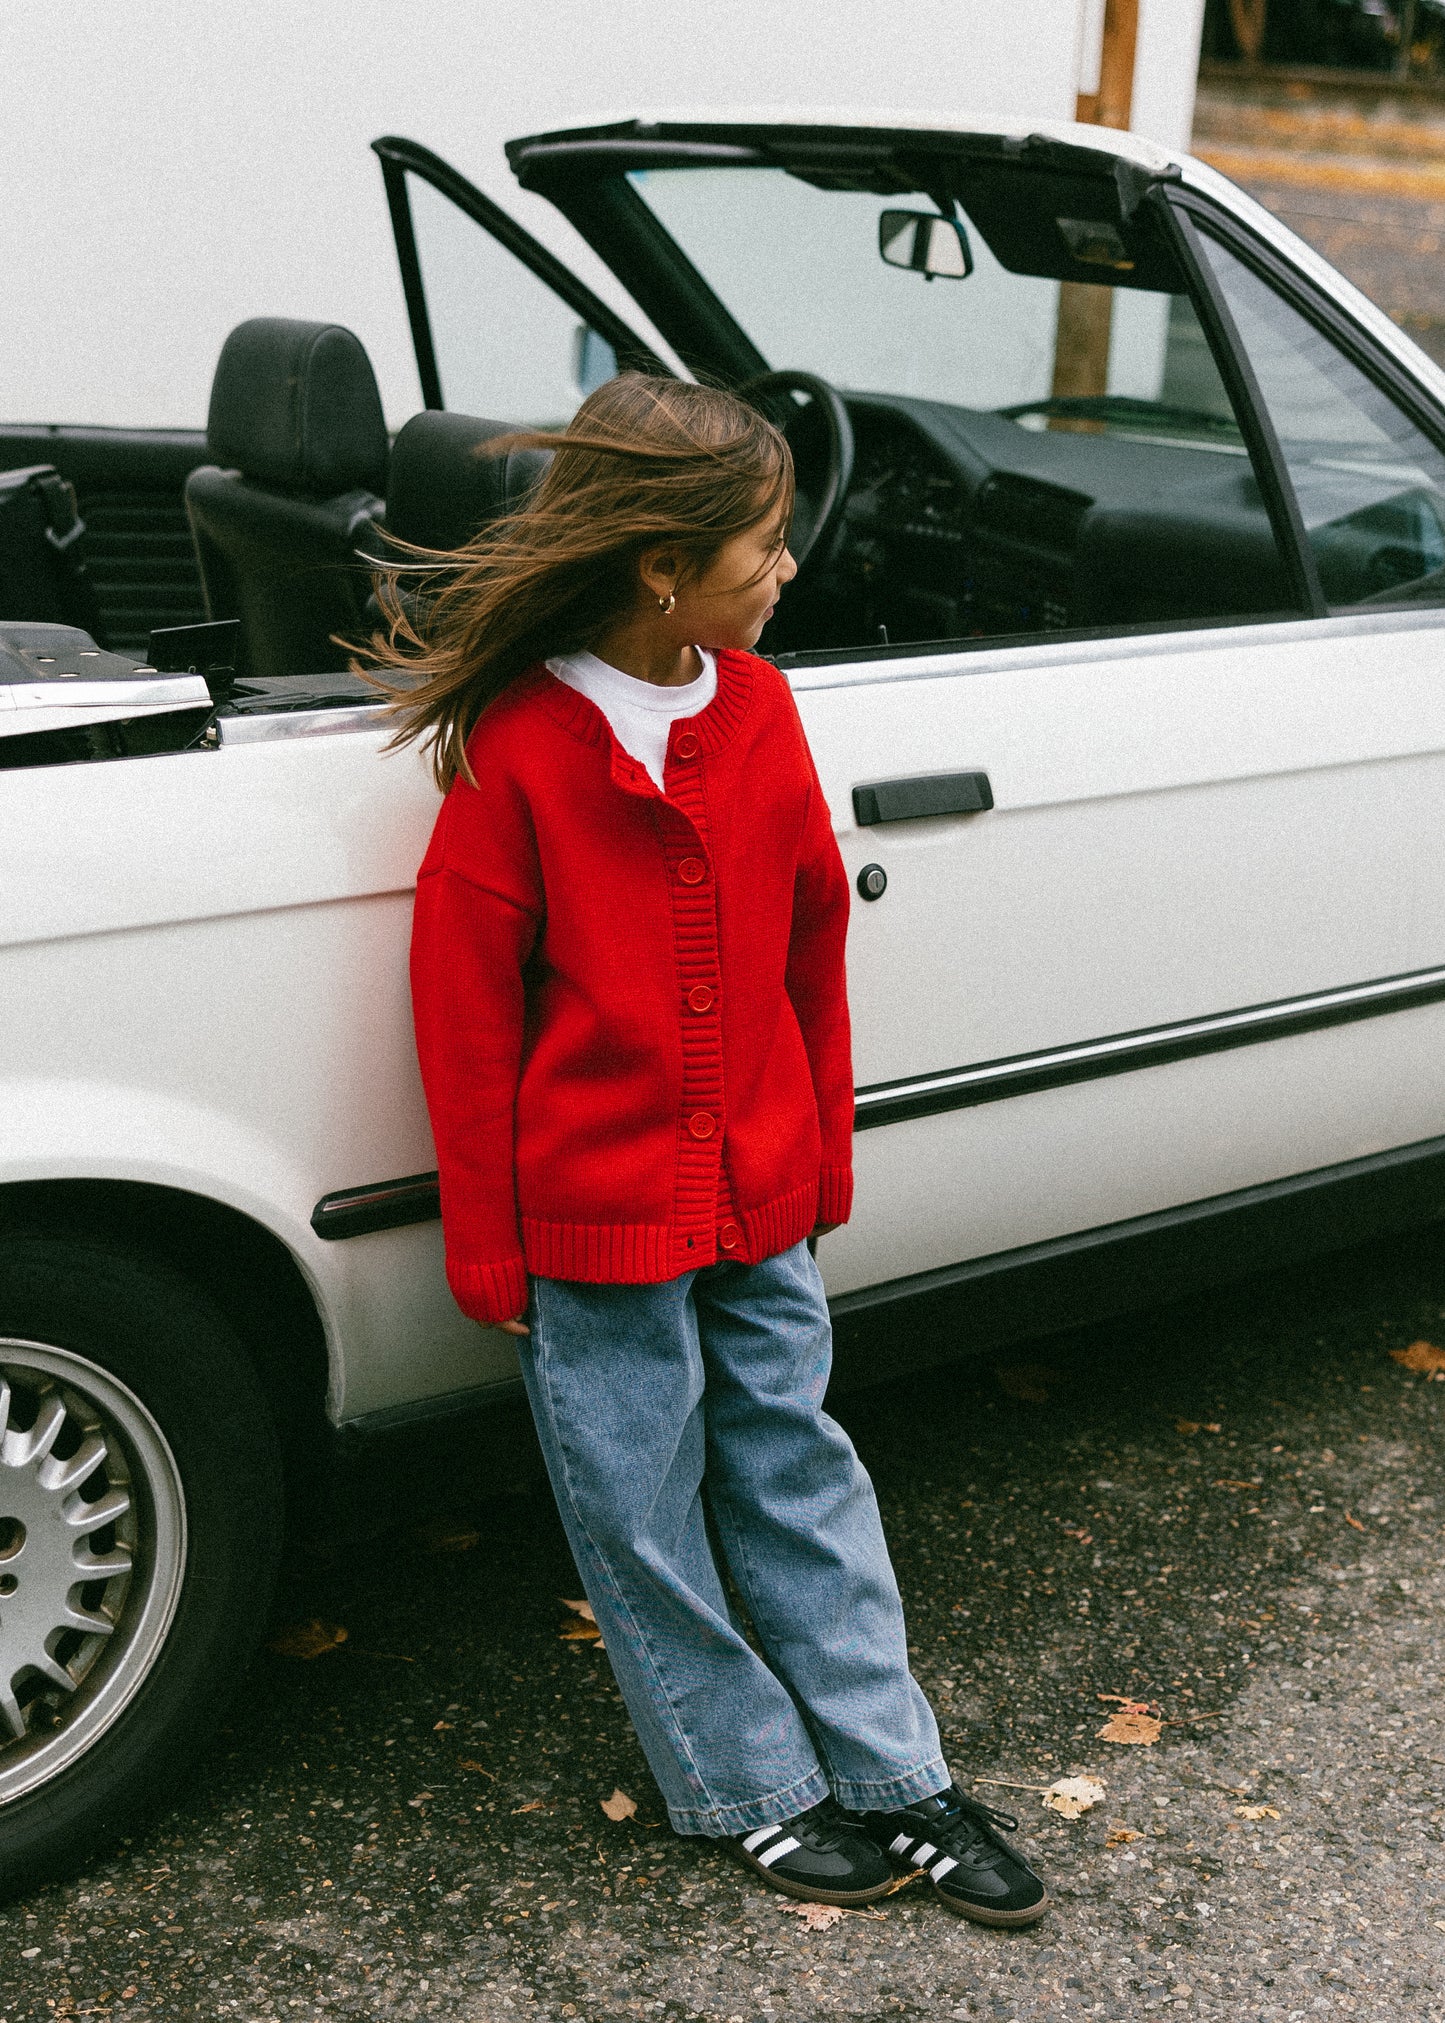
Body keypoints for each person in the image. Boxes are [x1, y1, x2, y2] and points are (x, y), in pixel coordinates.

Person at [369, 373, 1047, 1926]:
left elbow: (814, 940)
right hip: (591, 1218)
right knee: (642, 1509)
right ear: (664, 566)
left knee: (799, 1468)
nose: (789, 569)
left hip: (758, 1188)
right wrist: (485, 1237)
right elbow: (463, 1014)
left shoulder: (758, 707)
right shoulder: (520, 748)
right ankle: (743, 1780)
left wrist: (822, 1146)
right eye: (765, 545)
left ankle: (895, 1773)